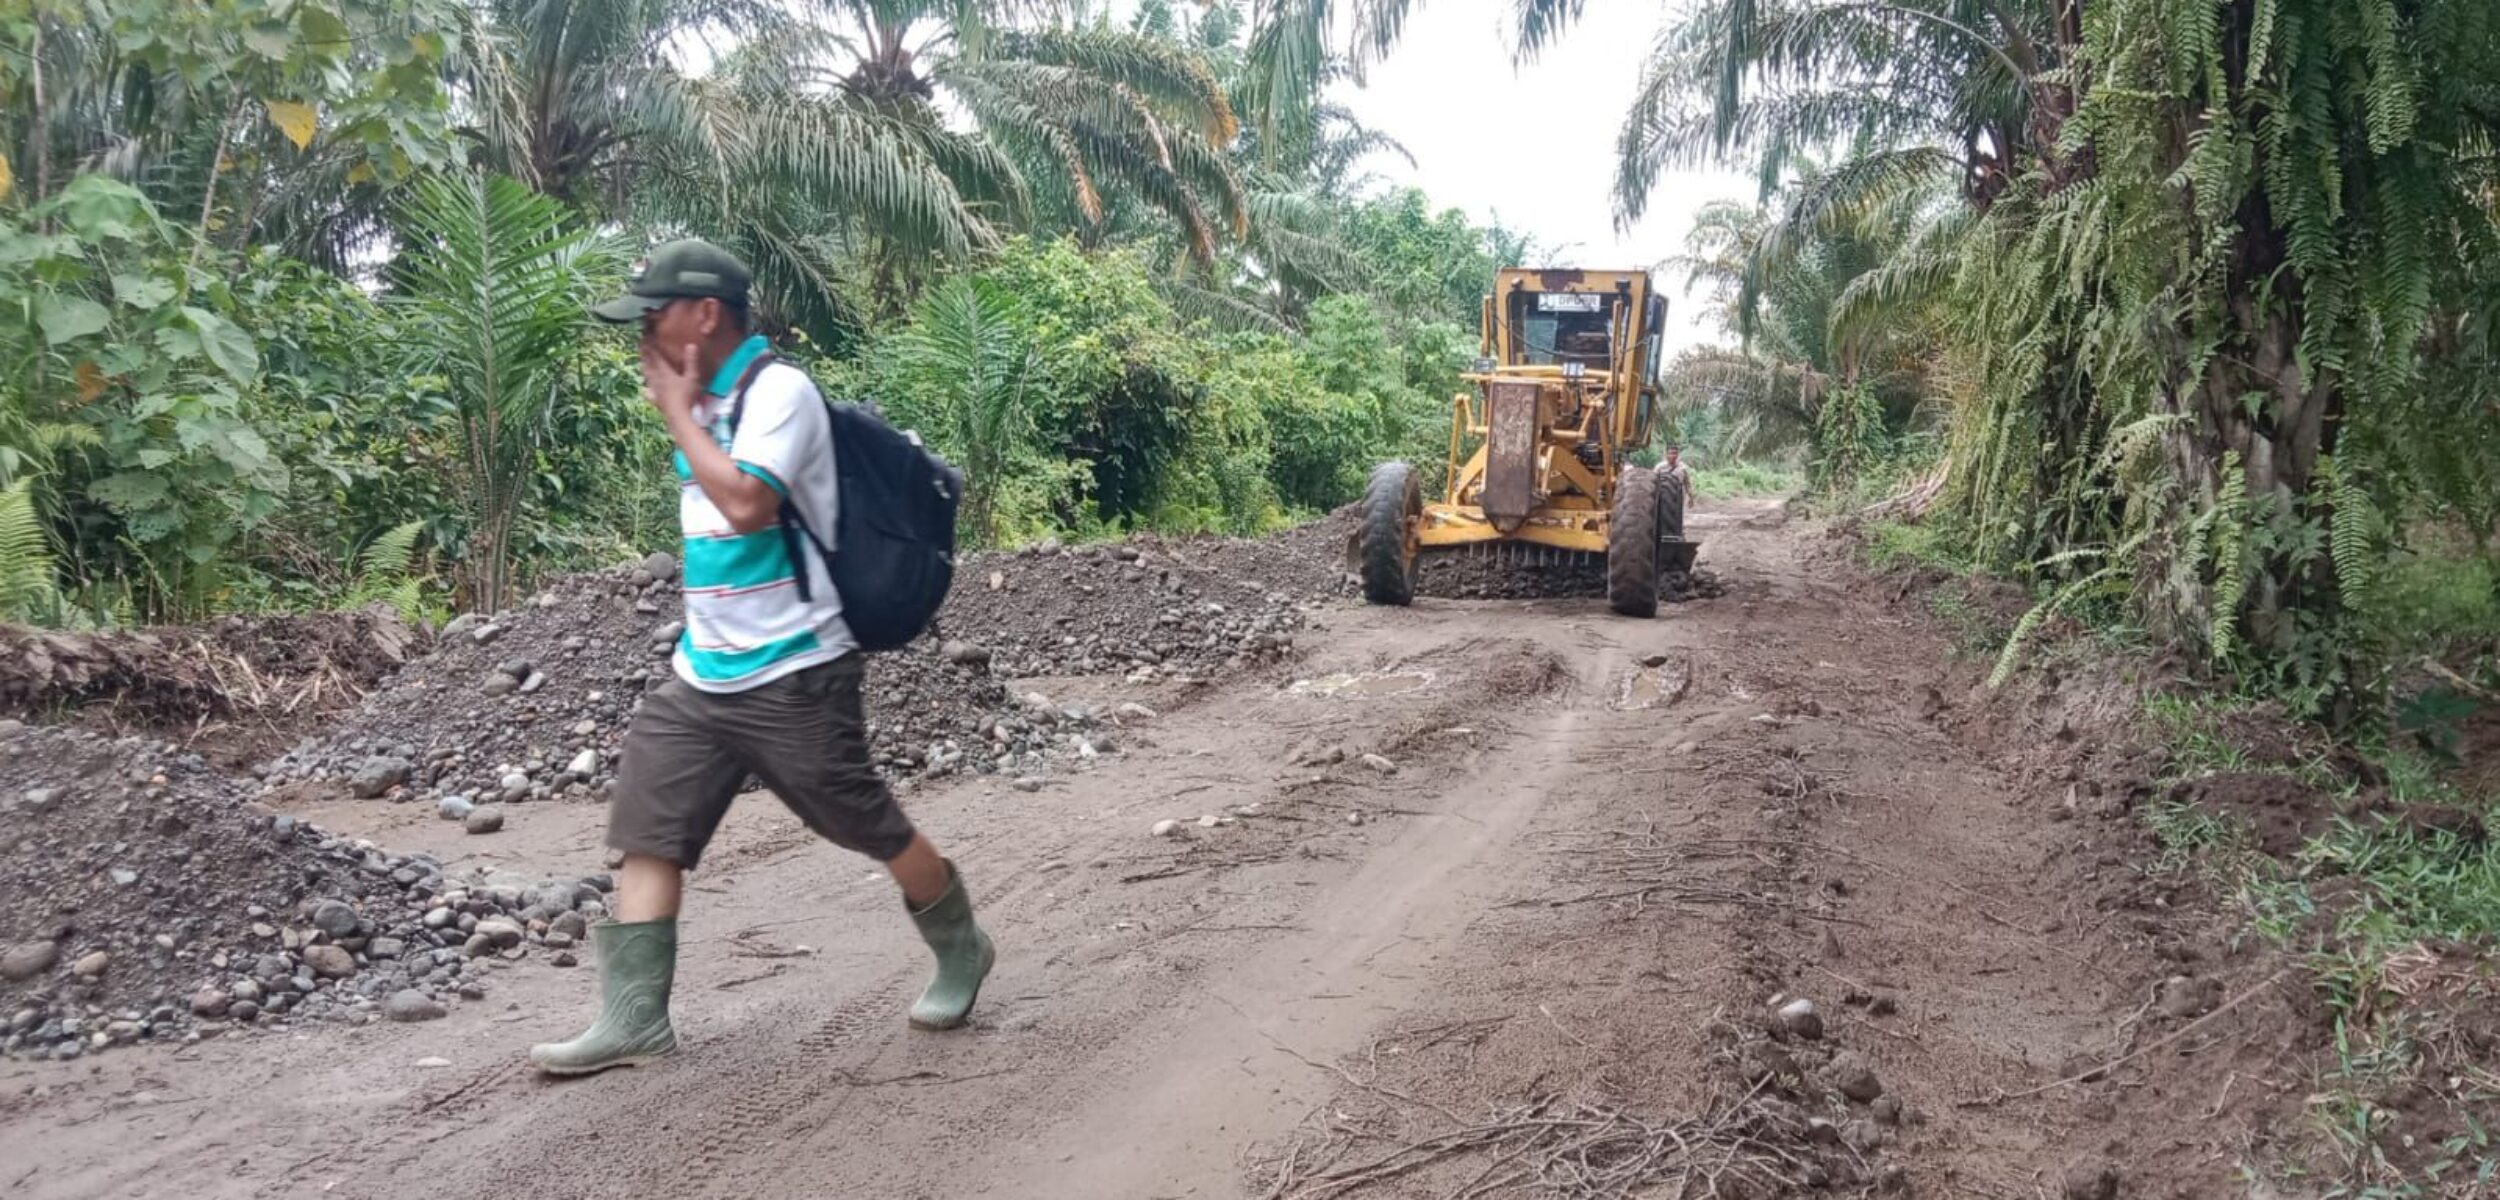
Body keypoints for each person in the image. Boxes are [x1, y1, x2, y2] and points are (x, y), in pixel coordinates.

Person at [530, 238, 995, 1076]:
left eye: (652, 317)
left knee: (858, 818)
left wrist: (674, 410)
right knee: (649, 828)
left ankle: (961, 944)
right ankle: (635, 1019)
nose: (640, 337)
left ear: (704, 315)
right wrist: (685, 407)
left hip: (797, 671)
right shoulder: (705, 399)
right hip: (702, 672)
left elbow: (747, 504)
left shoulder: (780, 392)